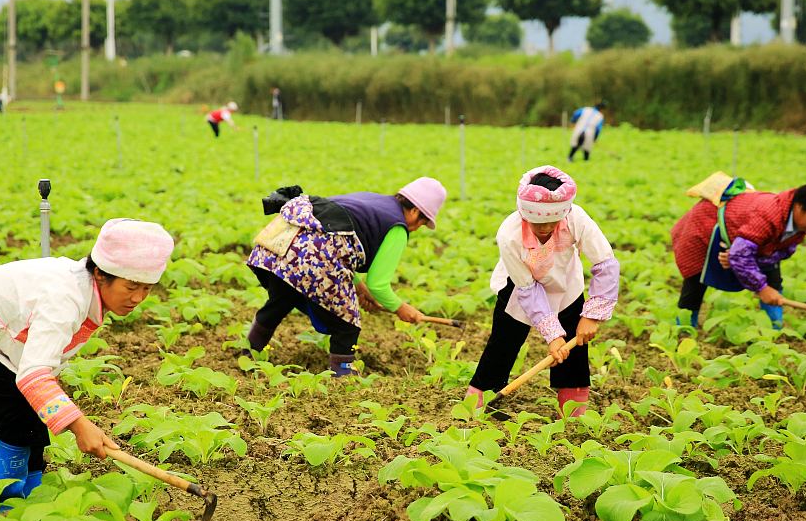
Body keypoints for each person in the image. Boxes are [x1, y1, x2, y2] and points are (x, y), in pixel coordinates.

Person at [0, 219, 174, 502]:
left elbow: (42, 364)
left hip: (2, 335)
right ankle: (7, 503)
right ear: (101, 275)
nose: (138, 298)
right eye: (131, 287)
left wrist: (56, 406)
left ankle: (33, 495)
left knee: (33, 416)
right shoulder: (64, 300)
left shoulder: (86, 289)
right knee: (14, 418)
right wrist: (81, 426)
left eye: (147, 289)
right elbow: (33, 376)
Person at [245, 178, 446, 376]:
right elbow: (378, 285)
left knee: (282, 297)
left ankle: (248, 354)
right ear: (415, 211)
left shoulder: (371, 200)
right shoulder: (397, 228)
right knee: (347, 324)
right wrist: (402, 308)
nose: (417, 228)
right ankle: (342, 376)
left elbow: (338, 244)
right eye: (422, 222)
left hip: (281, 243)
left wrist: (360, 289)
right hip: (313, 258)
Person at [465, 166, 620, 417]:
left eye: (552, 221)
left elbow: (605, 263)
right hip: (519, 287)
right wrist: (551, 335)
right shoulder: (509, 234)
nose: (546, 228)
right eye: (538, 222)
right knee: (503, 343)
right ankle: (479, 401)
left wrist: (592, 315)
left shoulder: (576, 218)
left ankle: (572, 411)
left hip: (566, 285)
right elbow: (527, 288)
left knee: (574, 352)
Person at [671, 180, 806, 330]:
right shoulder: (769, 214)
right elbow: (740, 256)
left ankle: (774, 330)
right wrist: (760, 286)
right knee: (696, 278)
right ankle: (684, 329)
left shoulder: (800, 225)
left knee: (773, 280)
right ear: (799, 207)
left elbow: (780, 252)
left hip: (747, 241)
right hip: (705, 223)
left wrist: (745, 260)